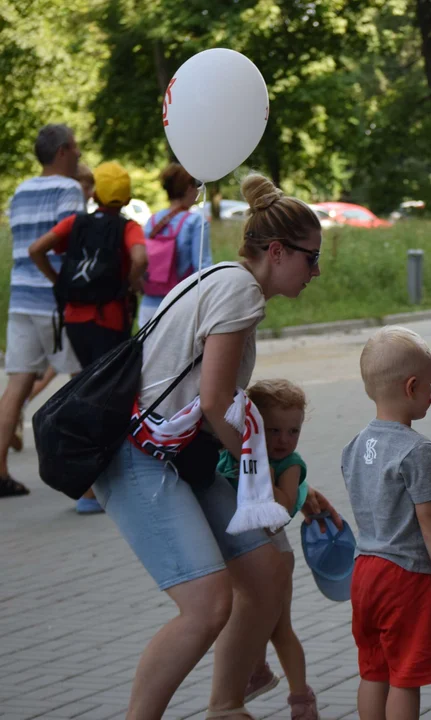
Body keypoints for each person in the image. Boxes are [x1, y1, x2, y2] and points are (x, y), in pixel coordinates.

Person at [90, 172, 324, 719]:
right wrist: (265, 479)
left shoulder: (227, 278)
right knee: (206, 605)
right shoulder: (241, 291)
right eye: (311, 258)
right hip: (137, 456)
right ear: (277, 251)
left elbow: (220, 407)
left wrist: (291, 481)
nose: (317, 270)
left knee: (267, 570)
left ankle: (226, 705)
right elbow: (218, 403)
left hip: (174, 455)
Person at [343, 326, 431, 720]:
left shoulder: (354, 445)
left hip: (363, 571)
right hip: (404, 576)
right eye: (430, 384)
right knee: (406, 675)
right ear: (412, 387)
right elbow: (430, 518)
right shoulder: (417, 450)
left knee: (373, 670)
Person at [28, 161, 147, 513]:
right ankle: (97, 487)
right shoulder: (128, 227)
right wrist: (130, 283)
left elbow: (37, 249)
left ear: (94, 193)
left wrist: (58, 282)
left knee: (85, 390)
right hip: (109, 320)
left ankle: (88, 485)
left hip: (75, 320)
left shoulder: (75, 223)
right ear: (125, 198)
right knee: (108, 398)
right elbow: (140, 257)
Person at [216, 379, 319, 719]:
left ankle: (301, 698)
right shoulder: (233, 454)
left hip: (275, 553)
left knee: (279, 628)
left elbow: (285, 507)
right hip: (239, 553)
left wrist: (259, 472)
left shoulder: (288, 465)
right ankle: (257, 669)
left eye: (294, 431)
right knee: (250, 620)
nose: (284, 440)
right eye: (273, 430)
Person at [0, 124, 84, 498]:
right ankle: (85, 474)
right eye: (77, 147)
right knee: (82, 380)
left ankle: (0, 470)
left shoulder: (19, 192)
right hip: (53, 302)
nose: (80, 154)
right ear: (64, 149)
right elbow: (71, 244)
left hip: (20, 299)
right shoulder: (68, 190)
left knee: (15, 387)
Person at [141, 163, 212, 327]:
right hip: (180, 305)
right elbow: (203, 267)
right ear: (188, 188)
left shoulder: (152, 221)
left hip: (149, 305)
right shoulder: (195, 221)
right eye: (195, 185)